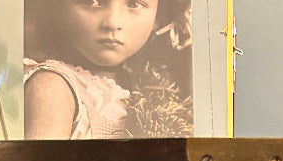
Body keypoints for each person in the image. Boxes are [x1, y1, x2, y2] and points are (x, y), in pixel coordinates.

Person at [24, 0, 192, 140]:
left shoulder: (150, 86)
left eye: (134, 4)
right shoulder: (52, 87)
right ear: (59, 7)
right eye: (93, 1)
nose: (113, 22)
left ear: (158, 15)